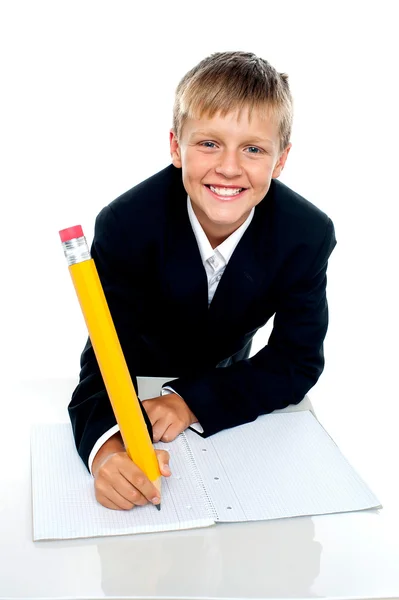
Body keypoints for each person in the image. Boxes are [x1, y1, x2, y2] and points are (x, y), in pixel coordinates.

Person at [69, 50, 336, 511]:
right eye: (209, 143)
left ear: (281, 159)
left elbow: (297, 359)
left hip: (232, 382)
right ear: (175, 147)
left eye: (253, 148)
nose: (229, 168)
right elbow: (103, 360)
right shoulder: (125, 224)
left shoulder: (306, 234)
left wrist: (190, 401)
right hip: (140, 373)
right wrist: (106, 452)